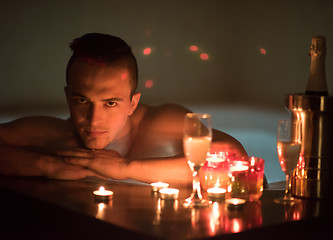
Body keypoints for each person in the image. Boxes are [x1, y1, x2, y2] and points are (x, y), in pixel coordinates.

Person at [0, 33, 247, 186]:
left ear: (133, 103)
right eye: (82, 101)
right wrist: (45, 165)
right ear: (68, 98)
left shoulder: (160, 124)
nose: (93, 120)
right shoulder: (54, 135)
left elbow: (237, 160)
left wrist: (125, 168)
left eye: (110, 103)